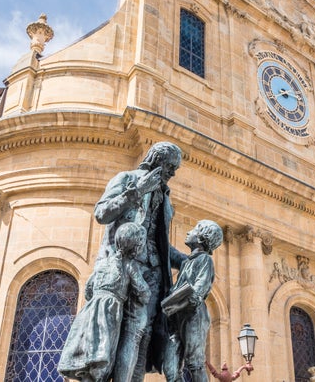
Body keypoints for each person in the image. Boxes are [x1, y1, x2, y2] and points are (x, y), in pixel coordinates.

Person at [92, 142, 187, 382]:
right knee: (116, 332)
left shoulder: (165, 198)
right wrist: (135, 191)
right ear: (156, 160)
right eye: (170, 166)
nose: (173, 173)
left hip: (154, 272)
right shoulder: (126, 179)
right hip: (125, 265)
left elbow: (161, 244)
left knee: (142, 332)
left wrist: (185, 261)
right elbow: (102, 213)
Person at [58, 222, 150, 382]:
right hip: (110, 311)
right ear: (135, 246)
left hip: (91, 309)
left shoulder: (103, 263)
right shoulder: (129, 265)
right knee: (104, 352)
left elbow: (88, 289)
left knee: (89, 350)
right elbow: (143, 292)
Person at [162, 220, 223, 382]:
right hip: (177, 316)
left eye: (195, 229)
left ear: (203, 238)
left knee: (194, 364)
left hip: (193, 317)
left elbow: (199, 289)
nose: (189, 232)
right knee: (170, 367)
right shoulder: (187, 261)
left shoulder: (205, 260)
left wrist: (176, 298)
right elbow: (170, 252)